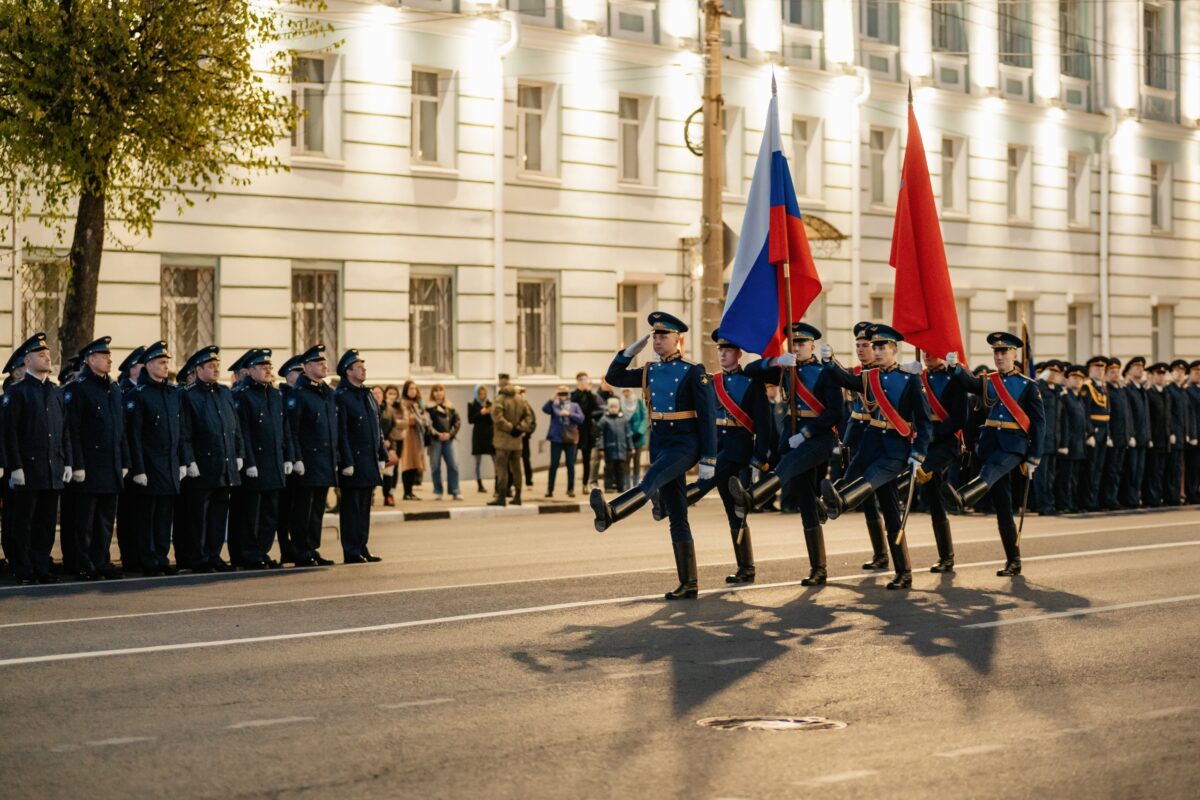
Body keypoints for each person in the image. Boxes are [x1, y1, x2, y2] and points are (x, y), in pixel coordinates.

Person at [591, 311, 716, 600]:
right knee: (678, 514)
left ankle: (611, 513)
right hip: (660, 442)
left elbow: (708, 417)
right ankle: (689, 583)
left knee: (650, 480)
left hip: (684, 444)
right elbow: (614, 377)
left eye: (664, 336)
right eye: (655, 336)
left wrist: (709, 459)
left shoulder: (693, 371)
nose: (658, 341)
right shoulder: (650, 371)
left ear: (678, 339)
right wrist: (627, 353)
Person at [818, 324, 931, 590]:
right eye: (875, 347)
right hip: (870, 444)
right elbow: (847, 380)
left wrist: (919, 453)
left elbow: (924, 422)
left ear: (894, 349)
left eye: (883, 347)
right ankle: (904, 572)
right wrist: (829, 361)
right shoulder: (870, 377)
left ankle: (837, 505)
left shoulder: (910, 379)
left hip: (894, 450)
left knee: (869, 480)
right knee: (889, 510)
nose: (877, 352)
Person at [727, 323, 838, 586]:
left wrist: (808, 433)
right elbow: (751, 370)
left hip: (818, 438)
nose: (797, 348)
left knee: (788, 465)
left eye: (802, 343)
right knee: (807, 502)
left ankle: (752, 497)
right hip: (792, 439)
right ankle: (818, 568)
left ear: (812, 345)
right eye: (793, 344)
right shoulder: (785, 370)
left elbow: (835, 413)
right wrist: (776, 360)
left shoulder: (825, 373)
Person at [671, 328, 772, 584]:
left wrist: (759, 457)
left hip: (739, 448)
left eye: (728, 349)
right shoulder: (711, 381)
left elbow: (764, 423)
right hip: (716, 447)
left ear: (738, 353)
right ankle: (746, 568)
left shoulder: (751, 382)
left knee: (712, 483)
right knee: (734, 509)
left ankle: (675, 502)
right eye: (720, 349)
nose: (723, 353)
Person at [943, 332, 1045, 578]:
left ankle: (964, 498)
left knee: (993, 469)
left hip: (1014, 446)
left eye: (1003, 352)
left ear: (1014, 354)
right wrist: (955, 368)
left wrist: (1034, 456)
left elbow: (1040, 424)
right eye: (996, 352)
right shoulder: (988, 381)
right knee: (1003, 506)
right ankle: (1014, 560)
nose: (999, 356)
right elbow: (968, 383)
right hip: (990, 444)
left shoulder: (1028, 386)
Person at [3, 333, 71, 584]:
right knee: (24, 522)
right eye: (41, 355)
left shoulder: (55, 392)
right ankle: (23, 567)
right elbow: (9, 434)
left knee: (45, 523)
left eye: (48, 355)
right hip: (28, 469)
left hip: (52, 467)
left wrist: (68, 461)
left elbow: (64, 431)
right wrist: (15, 467)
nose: (47, 358)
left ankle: (41, 565)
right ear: (28, 361)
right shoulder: (18, 392)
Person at [63, 337, 129, 580]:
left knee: (104, 519)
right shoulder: (78, 389)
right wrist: (77, 464)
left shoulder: (114, 389)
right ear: (91, 360)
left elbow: (120, 429)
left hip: (110, 465)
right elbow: (73, 430)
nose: (110, 360)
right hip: (89, 466)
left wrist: (124, 461)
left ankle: (101, 560)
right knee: (84, 520)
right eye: (104, 356)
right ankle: (83, 562)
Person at [178, 346, 244, 572]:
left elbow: (234, 428)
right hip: (202, 464)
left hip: (224, 463)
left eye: (217, 366)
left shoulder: (225, 392)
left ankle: (214, 555)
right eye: (211, 366)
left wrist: (239, 454)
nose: (216, 369)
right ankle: (197, 557)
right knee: (198, 516)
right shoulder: (188, 394)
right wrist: (189, 461)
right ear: (198, 369)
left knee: (218, 514)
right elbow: (185, 432)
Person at [125, 341, 186, 576]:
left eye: (166, 362)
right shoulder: (138, 395)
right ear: (149, 365)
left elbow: (179, 431)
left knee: (163, 517)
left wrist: (181, 461)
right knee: (146, 517)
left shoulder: (172, 393)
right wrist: (138, 469)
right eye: (161, 362)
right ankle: (147, 558)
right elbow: (135, 436)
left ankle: (161, 556)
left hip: (169, 465)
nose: (165, 366)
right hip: (149, 466)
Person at [232, 349, 292, 569]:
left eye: (269, 367)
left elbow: (283, 428)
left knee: (269, 513)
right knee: (251, 513)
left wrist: (287, 456)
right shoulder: (242, 394)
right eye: (263, 367)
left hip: (274, 462)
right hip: (255, 464)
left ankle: (262, 550)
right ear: (250, 371)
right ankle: (249, 553)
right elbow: (243, 431)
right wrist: (248, 462)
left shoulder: (275, 394)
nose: (268, 370)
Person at [910, 349, 968, 572]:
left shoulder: (955, 378)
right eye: (924, 352)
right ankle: (946, 557)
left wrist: (933, 434)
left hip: (945, 442)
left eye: (932, 352)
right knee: (934, 502)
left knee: (919, 472)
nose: (927, 355)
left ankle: (957, 495)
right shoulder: (918, 378)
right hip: (923, 442)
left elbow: (959, 418)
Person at [285, 344, 337, 567]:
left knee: (317, 509)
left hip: (324, 461)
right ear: (306, 367)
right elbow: (292, 430)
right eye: (318, 363)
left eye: (325, 362)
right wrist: (296, 458)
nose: (324, 365)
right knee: (302, 510)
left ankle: (312, 548)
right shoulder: (299, 394)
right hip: (306, 462)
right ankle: (300, 550)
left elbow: (334, 429)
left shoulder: (327, 393)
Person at [334, 349, 388, 563]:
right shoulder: (342, 396)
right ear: (348, 371)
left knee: (365, 506)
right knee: (351, 508)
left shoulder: (366, 394)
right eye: (359, 367)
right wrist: (346, 461)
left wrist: (381, 453)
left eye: (364, 367)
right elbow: (342, 432)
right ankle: (351, 549)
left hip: (368, 459)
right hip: (353, 462)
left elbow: (377, 426)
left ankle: (362, 545)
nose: (364, 370)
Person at [488, 379, 534, 507]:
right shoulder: (520, 399)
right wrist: (520, 428)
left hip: (502, 441)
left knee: (502, 469)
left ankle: (501, 497)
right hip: (517, 441)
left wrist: (510, 428)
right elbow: (529, 416)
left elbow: (497, 416)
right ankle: (518, 496)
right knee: (517, 469)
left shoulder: (499, 399)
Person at [1055, 364, 1088, 513]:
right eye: (1074, 378)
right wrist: (1064, 443)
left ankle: (1072, 503)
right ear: (1067, 380)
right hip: (1069, 444)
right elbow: (1064, 422)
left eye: (1080, 379)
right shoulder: (1065, 397)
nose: (1077, 381)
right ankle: (1064, 503)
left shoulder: (1079, 399)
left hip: (1078, 444)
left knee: (1074, 477)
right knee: (1065, 477)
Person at [542, 386, 584, 498]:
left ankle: (570, 489)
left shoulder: (575, 406)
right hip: (556, 439)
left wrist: (570, 414)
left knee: (570, 465)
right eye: (561, 393)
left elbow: (581, 418)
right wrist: (553, 397)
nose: (563, 396)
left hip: (570, 439)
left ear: (569, 394)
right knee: (553, 465)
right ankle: (549, 490)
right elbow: (545, 409)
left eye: (565, 393)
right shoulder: (554, 405)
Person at [1122, 357, 1150, 508]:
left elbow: (1146, 416)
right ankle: (1130, 498)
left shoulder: (1141, 390)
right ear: (1129, 371)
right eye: (1136, 367)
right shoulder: (1128, 390)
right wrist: (1130, 434)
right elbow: (1128, 415)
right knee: (1131, 470)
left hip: (1143, 436)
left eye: (1141, 367)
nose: (1140, 370)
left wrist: (1148, 435)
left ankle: (1135, 496)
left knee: (1139, 470)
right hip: (1133, 436)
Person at [427, 383, 462, 501]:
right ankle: (438, 491)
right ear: (432, 393)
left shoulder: (450, 407)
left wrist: (450, 434)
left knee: (453, 465)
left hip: (448, 440)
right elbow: (427, 423)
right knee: (435, 466)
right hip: (435, 441)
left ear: (444, 392)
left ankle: (455, 491)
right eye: (435, 390)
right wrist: (436, 433)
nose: (438, 393)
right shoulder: (428, 407)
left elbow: (457, 422)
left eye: (440, 390)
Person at [1144, 362, 1172, 507]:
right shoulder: (1149, 394)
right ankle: (1152, 498)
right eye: (1158, 374)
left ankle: (1159, 495)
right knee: (1153, 470)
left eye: (1162, 374)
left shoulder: (1166, 393)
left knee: (1161, 469)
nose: (1161, 377)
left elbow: (1169, 416)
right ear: (1152, 376)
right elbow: (1148, 417)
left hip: (1165, 437)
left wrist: (1171, 432)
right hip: (1154, 437)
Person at [1164, 358, 1191, 506]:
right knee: (1172, 467)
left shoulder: (1182, 391)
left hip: (1182, 434)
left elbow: (1185, 414)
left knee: (1178, 467)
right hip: (1174, 434)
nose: (1179, 374)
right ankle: (1171, 495)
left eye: (1181, 372)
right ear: (1171, 373)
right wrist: (1172, 432)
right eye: (1176, 371)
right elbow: (1169, 414)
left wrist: (1186, 432)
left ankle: (1176, 494)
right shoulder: (1170, 390)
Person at [398, 379, 429, 500]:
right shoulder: (403, 404)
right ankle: (406, 492)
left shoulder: (417, 404)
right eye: (410, 388)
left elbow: (424, 418)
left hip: (417, 437)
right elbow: (406, 420)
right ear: (406, 390)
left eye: (415, 388)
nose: (413, 391)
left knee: (415, 464)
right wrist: (417, 419)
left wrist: (420, 418)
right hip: (407, 437)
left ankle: (410, 492)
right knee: (408, 464)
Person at [571, 372, 602, 489]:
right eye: (582, 380)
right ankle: (571, 485)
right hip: (575, 431)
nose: (585, 382)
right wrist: (580, 390)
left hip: (587, 432)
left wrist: (588, 391)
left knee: (586, 460)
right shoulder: (574, 394)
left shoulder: (591, 395)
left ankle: (585, 484)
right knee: (571, 460)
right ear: (578, 381)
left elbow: (595, 407)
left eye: (586, 380)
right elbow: (573, 403)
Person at [597, 397, 633, 492]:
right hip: (609, 449)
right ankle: (608, 487)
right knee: (609, 469)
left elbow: (628, 434)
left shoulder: (623, 419)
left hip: (621, 449)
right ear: (608, 408)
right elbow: (600, 435)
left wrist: (631, 447)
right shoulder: (604, 419)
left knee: (621, 469)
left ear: (619, 408)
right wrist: (601, 448)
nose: (613, 409)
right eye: (611, 407)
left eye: (615, 407)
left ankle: (621, 487)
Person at [468, 384, 494, 494]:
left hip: (489, 434)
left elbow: (493, 419)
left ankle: (497, 484)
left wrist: (489, 413)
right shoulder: (472, 404)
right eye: (480, 394)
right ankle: (479, 484)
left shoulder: (490, 404)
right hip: (478, 434)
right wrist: (481, 413)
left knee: (495, 459)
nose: (483, 396)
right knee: (477, 462)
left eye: (484, 394)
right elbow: (471, 420)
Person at [379, 385, 403, 505]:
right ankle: (370, 494)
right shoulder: (368, 409)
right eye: (374, 393)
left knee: (389, 470)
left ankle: (388, 496)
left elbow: (394, 428)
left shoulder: (389, 410)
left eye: (379, 393)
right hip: (374, 446)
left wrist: (391, 444)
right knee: (374, 470)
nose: (377, 396)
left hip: (388, 445)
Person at [621, 388, 647, 489]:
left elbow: (644, 417)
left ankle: (636, 484)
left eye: (627, 391)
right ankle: (627, 484)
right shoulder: (621, 403)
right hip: (626, 437)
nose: (626, 393)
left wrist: (640, 431)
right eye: (624, 391)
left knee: (637, 460)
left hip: (638, 436)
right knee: (626, 460)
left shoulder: (639, 402)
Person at [517, 386, 536, 489]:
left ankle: (529, 481)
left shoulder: (527, 406)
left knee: (526, 459)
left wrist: (526, 432)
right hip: (514, 437)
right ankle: (512, 483)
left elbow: (532, 423)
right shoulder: (511, 405)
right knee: (513, 462)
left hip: (524, 438)